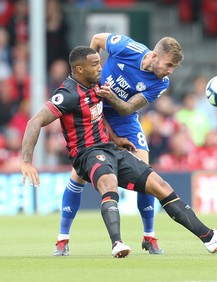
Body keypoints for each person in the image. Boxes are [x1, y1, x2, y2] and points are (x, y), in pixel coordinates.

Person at [20, 46, 217, 258]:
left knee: (160, 186)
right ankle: (117, 243)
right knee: (108, 182)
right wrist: (27, 162)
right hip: (87, 154)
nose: (101, 67)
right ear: (79, 69)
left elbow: (98, 115)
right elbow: (35, 121)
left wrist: (116, 139)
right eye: (95, 64)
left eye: (100, 63)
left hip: (110, 149)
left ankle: (210, 237)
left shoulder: (96, 87)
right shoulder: (67, 94)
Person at [54, 34, 184, 256]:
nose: (170, 71)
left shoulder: (161, 82)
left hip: (124, 118)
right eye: (169, 64)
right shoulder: (126, 47)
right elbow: (96, 40)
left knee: (146, 173)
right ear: (154, 56)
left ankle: (149, 236)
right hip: (96, 110)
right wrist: (88, 75)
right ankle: (62, 238)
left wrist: (108, 93)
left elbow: (126, 108)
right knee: (78, 174)